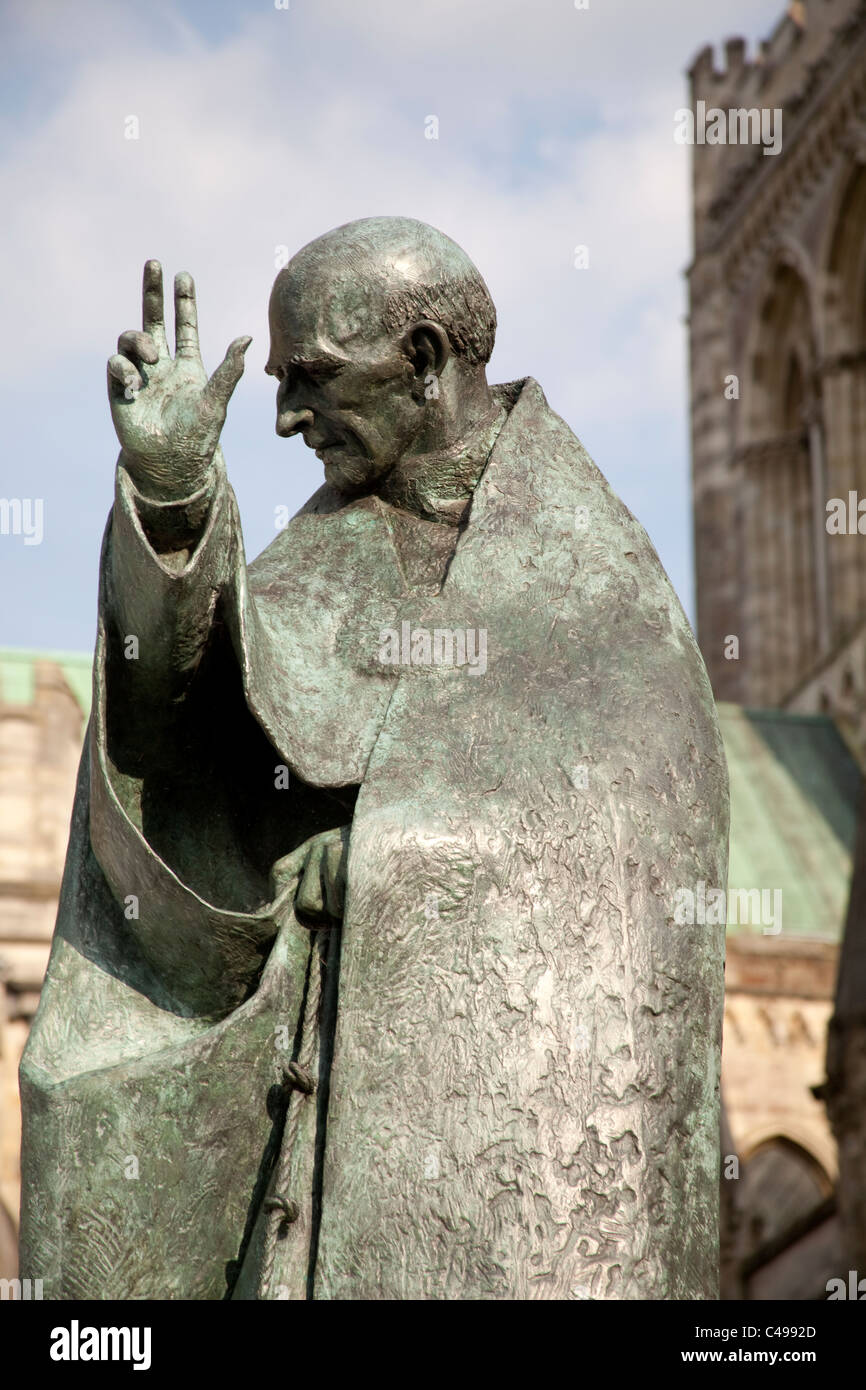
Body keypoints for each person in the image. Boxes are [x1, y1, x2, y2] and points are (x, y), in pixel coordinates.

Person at [20, 217, 728, 1300]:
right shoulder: (325, 547)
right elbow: (181, 734)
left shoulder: (597, 584)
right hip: (313, 1175)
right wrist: (170, 502)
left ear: (426, 362)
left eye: (312, 377)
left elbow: (621, 844)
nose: (285, 415)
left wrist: (380, 866)